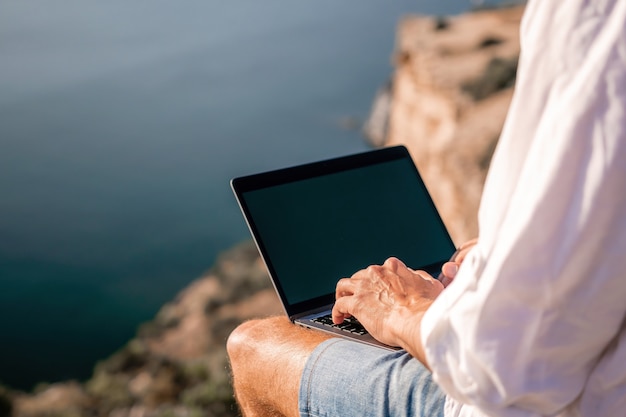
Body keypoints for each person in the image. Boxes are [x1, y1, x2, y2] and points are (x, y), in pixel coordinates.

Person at [226, 0, 626, 415]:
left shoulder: (599, 19)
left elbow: (502, 370)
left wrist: (408, 311)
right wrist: (503, 251)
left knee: (254, 345)